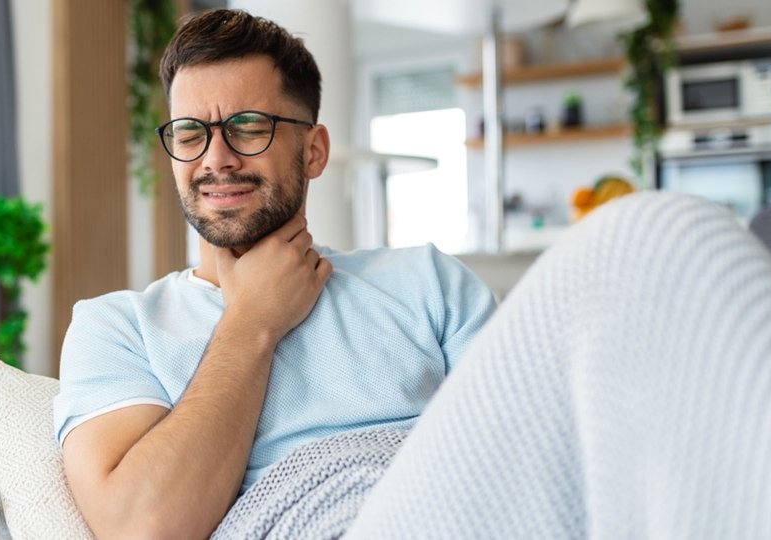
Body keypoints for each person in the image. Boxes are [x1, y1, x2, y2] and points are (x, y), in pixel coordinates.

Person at [53, 8, 496, 539]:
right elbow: (143, 528)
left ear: (314, 151)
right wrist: (252, 323)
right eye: (190, 133)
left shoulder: (428, 282)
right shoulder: (116, 329)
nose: (216, 159)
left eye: (247, 127)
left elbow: (527, 449)